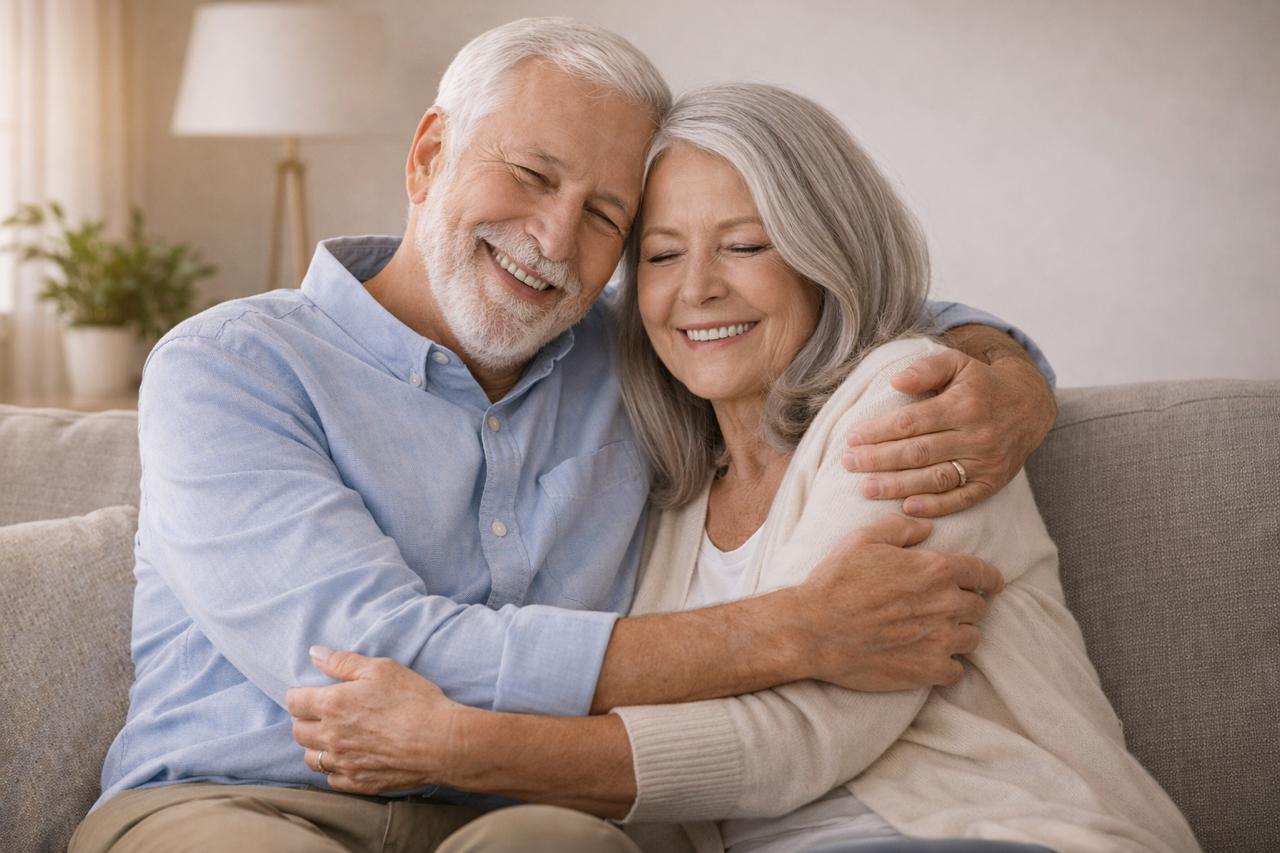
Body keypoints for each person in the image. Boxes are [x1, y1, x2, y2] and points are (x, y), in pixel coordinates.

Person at [71, 19, 1059, 853]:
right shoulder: (229, 366)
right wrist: (795, 628)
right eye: (530, 176)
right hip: (236, 799)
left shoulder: (642, 352)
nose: (551, 239)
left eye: (604, 216)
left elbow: (840, 295)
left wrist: (1005, 373)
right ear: (427, 155)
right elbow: (376, 657)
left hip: (528, 810)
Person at [284, 83, 1201, 853]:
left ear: (824, 255)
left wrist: (462, 746)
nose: (697, 290)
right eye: (661, 254)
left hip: (990, 829)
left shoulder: (909, 406)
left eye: (747, 244)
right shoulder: (671, 482)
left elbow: (798, 737)